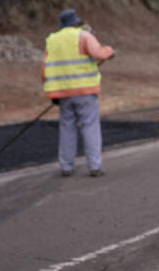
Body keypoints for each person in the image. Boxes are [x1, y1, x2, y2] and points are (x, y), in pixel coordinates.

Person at [42, 9, 114, 177]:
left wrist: (52, 93)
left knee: (67, 128)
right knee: (90, 127)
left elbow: (44, 68)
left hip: (63, 93)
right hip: (85, 91)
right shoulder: (83, 36)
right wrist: (110, 51)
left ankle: (66, 167)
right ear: (76, 22)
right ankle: (94, 166)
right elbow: (98, 53)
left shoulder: (52, 40)